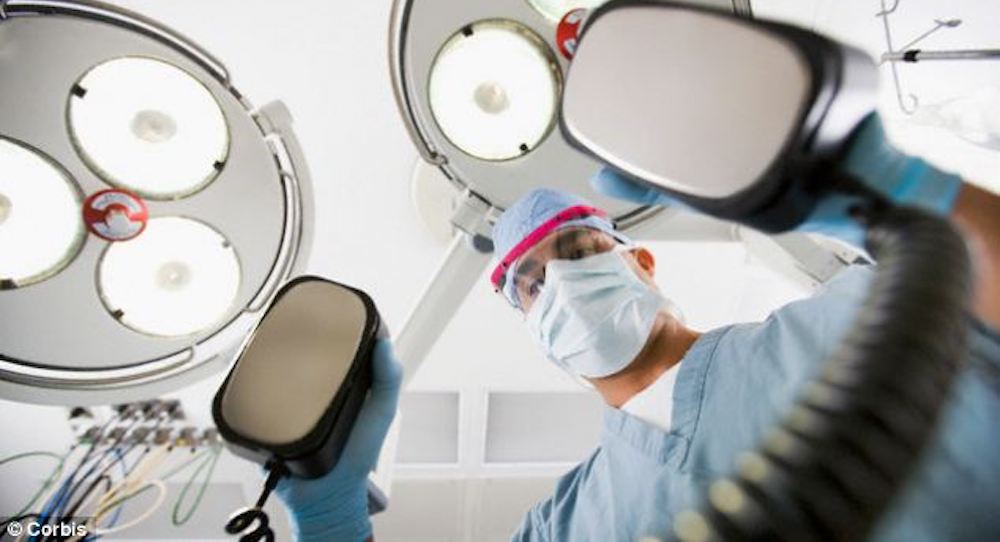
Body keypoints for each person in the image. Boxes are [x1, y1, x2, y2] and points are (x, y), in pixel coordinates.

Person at [274, 116, 1000, 541]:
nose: (559, 283)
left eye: (578, 251)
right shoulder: (563, 526)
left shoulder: (856, 316)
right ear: (537, 332)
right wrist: (335, 522)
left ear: (643, 263)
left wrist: (892, 192)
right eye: (531, 286)